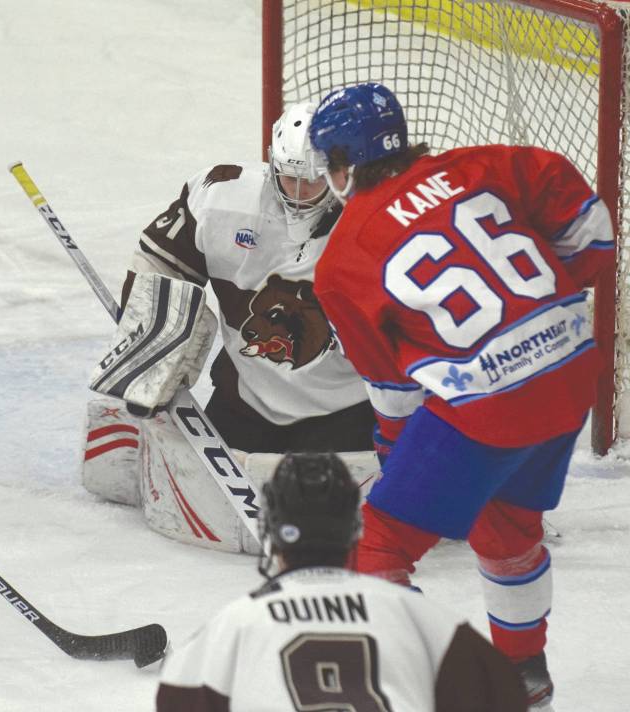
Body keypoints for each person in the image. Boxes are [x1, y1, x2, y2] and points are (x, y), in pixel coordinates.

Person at [307, 82, 615, 710]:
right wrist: (546, 306)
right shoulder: (484, 163)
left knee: (374, 549)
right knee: (507, 528)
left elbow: (392, 391)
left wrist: (399, 456)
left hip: (487, 407)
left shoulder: (341, 261)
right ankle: (525, 675)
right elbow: (591, 226)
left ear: (343, 165)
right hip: (573, 370)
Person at [156, 452, 528, 711]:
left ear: (273, 536)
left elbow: (176, 699)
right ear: (354, 531)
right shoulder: (415, 615)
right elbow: (506, 695)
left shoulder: (235, 623)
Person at [115, 102, 372, 453]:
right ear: (271, 162)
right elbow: (159, 262)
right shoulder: (221, 198)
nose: (298, 194)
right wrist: (153, 343)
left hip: (344, 409)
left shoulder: (371, 224)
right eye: (289, 178)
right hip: (246, 402)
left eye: (311, 182)